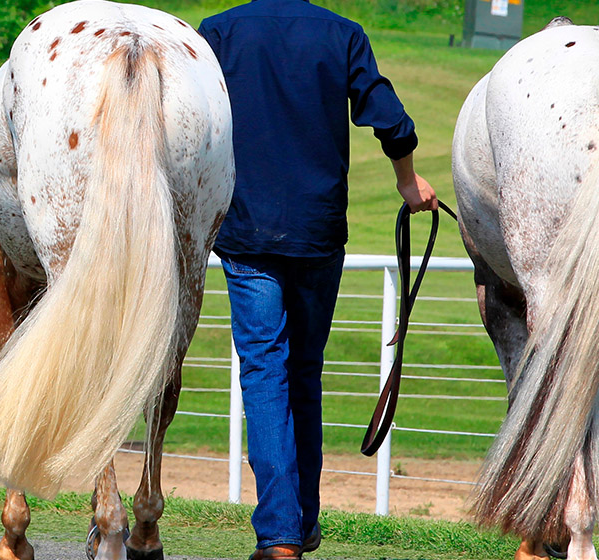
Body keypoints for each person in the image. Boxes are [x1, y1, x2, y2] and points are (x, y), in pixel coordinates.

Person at [198, 2, 438, 558]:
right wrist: (407, 181)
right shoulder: (343, 33)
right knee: (303, 373)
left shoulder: (220, 32)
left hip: (248, 231)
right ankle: (301, 523)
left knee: (264, 373)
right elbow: (389, 117)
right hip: (317, 230)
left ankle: (281, 533)